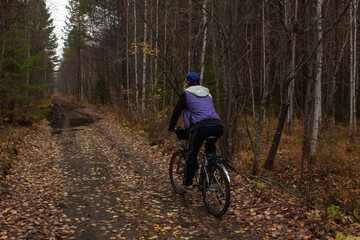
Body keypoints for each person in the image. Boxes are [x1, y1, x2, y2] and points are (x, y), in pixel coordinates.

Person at [168, 72, 223, 189]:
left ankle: (188, 183)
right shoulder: (208, 94)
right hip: (217, 126)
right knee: (210, 150)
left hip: (200, 128)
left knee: (191, 153)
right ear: (198, 82)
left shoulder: (186, 94)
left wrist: (171, 127)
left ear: (187, 82)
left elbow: (176, 112)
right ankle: (211, 174)